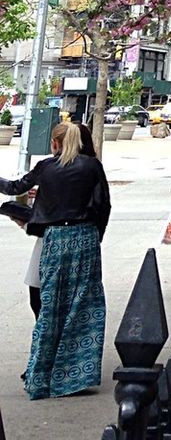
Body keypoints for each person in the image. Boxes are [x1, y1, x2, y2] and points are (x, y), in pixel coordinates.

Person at [0, 121, 110, 399]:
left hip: (55, 240)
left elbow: (15, 187)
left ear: (56, 143)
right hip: (85, 237)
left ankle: (42, 373)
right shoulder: (92, 166)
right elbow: (103, 204)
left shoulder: (46, 167)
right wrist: (96, 235)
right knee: (84, 304)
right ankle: (76, 373)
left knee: (50, 303)